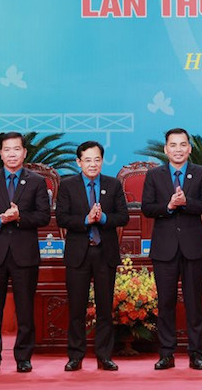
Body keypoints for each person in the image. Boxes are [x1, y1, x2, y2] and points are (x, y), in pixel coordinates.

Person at [0, 131, 51, 374]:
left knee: (25, 309)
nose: (12, 154)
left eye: (17, 149)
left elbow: (43, 216)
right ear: (1, 154)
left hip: (24, 254)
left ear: (24, 153)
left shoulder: (36, 181)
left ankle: (23, 357)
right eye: (7, 149)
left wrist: (19, 217)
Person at [141, 128, 202, 371]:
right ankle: (166, 354)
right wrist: (169, 206)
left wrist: (186, 203)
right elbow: (147, 208)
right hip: (164, 249)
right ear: (166, 149)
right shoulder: (154, 175)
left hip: (193, 248)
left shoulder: (201, 173)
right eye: (173, 145)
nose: (178, 149)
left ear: (189, 148)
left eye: (183, 145)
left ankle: (196, 354)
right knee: (166, 304)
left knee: (194, 304)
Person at [55, 141, 129, 372]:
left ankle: (104, 356)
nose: (93, 164)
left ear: (102, 161)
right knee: (77, 308)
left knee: (105, 309)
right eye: (87, 160)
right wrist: (86, 220)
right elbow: (61, 218)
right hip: (79, 253)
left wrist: (103, 218)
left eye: (97, 159)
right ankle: (75, 356)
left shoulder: (113, 185)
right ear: (79, 162)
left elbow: (123, 217)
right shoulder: (67, 186)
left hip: (105, 253)